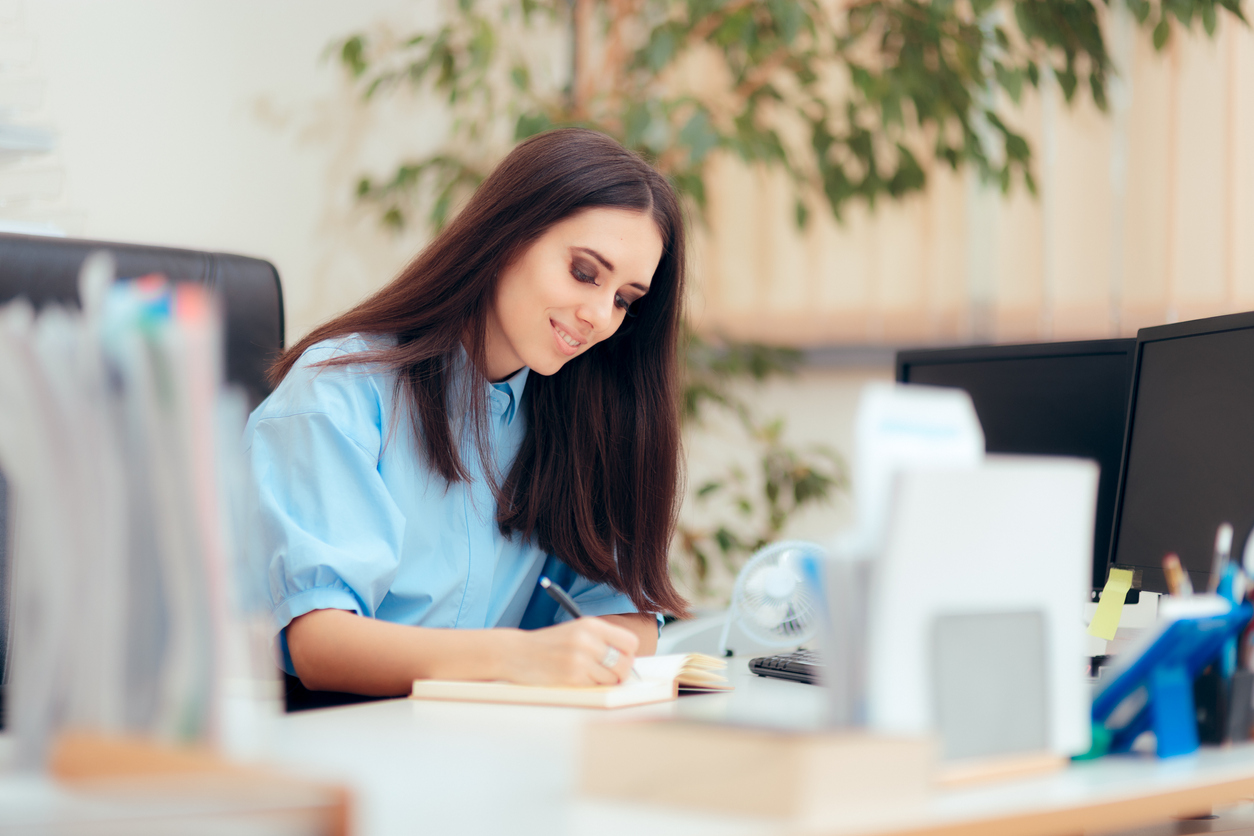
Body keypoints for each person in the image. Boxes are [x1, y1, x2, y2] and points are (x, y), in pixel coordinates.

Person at [243, 128, 690, 697]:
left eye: (625, 299)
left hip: (487, 744)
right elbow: (322, 644)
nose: (601, 316)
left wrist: (593, 650)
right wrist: (520, 656)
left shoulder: (579, 416)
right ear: (507, 237)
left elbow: (621, 611)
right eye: (584, 272)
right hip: (338, 742)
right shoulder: (338, 393)